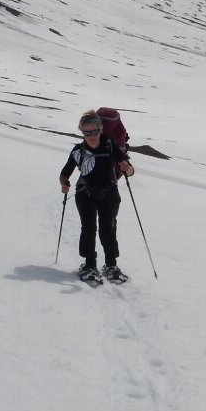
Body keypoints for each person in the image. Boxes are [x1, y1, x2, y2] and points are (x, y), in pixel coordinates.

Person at [59, 110, 134, 282]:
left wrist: (127, 168)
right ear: (82, 132)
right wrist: (64, 183)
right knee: (88, 228)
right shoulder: (78, 151)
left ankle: (111, 264)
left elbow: (128, 167)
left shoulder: (109, 144)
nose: (91, 136)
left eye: (94, 131)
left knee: (108, 228)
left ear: (100, 129)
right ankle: (89, 264)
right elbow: (65, 173)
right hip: (85, 194)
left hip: (109, 193)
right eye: (87, 132)